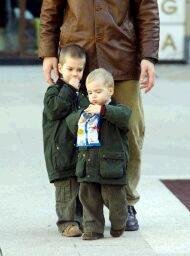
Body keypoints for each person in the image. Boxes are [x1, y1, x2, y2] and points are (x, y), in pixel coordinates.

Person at [39, 1, 160, 231]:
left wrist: (148, 56)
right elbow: (50, 11)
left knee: (130, 130)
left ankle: (125, 201)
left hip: (122, 58)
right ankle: (81, 205)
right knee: (74, 133)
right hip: (79, 59)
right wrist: (47, 52)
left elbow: (147, 10)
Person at [66, 68, 131, 240]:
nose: (93, 96)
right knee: (89, 199)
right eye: (90, 92)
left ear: (110, 90)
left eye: (98, 91)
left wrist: (103, 111)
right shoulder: (86, 111)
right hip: (88, 167)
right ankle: (93, 229)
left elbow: (125, 117)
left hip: (111, 168)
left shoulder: (118, 110)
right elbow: (70, 123)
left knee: (115, 199)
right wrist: (82, 115)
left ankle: (119, 222)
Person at [42, 44, 89, 237]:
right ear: (60, 68)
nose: (75, 74)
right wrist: (69, 88)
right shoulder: (54, 91)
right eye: (70, 69)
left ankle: (82, 220)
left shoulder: (81, 93)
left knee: (81, 188)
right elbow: (55, 110)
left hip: (77, 151)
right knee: (66, 189)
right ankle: (66, 222)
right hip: (60, 150)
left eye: (79, 70)